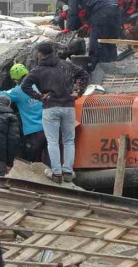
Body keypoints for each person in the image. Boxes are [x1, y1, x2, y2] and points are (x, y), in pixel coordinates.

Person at [21, 42, 89, 184]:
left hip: (50, 107)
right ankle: (68, 172)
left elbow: (24, 85)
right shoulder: (67, 65)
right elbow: (84, 74)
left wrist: (39, 96)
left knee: (52, 141)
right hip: (68, 106)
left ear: (40, 54)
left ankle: (56, 173)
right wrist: (78, 92)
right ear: (53, 52)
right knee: (69, 140)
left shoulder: (37, 70)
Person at [0, 64, 45, 163]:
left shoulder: (18, 91)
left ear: (15, 80)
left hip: (34, 132)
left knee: (33, 162)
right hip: (51, 128)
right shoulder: (40, 85)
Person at [63, 0, 121, 69]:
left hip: (102, 11)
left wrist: (69, 28)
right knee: (110, 42)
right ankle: (113, 67)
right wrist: (87, 23)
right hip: (115, 10)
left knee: (96, 44)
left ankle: (96, 70)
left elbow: (72, 9)